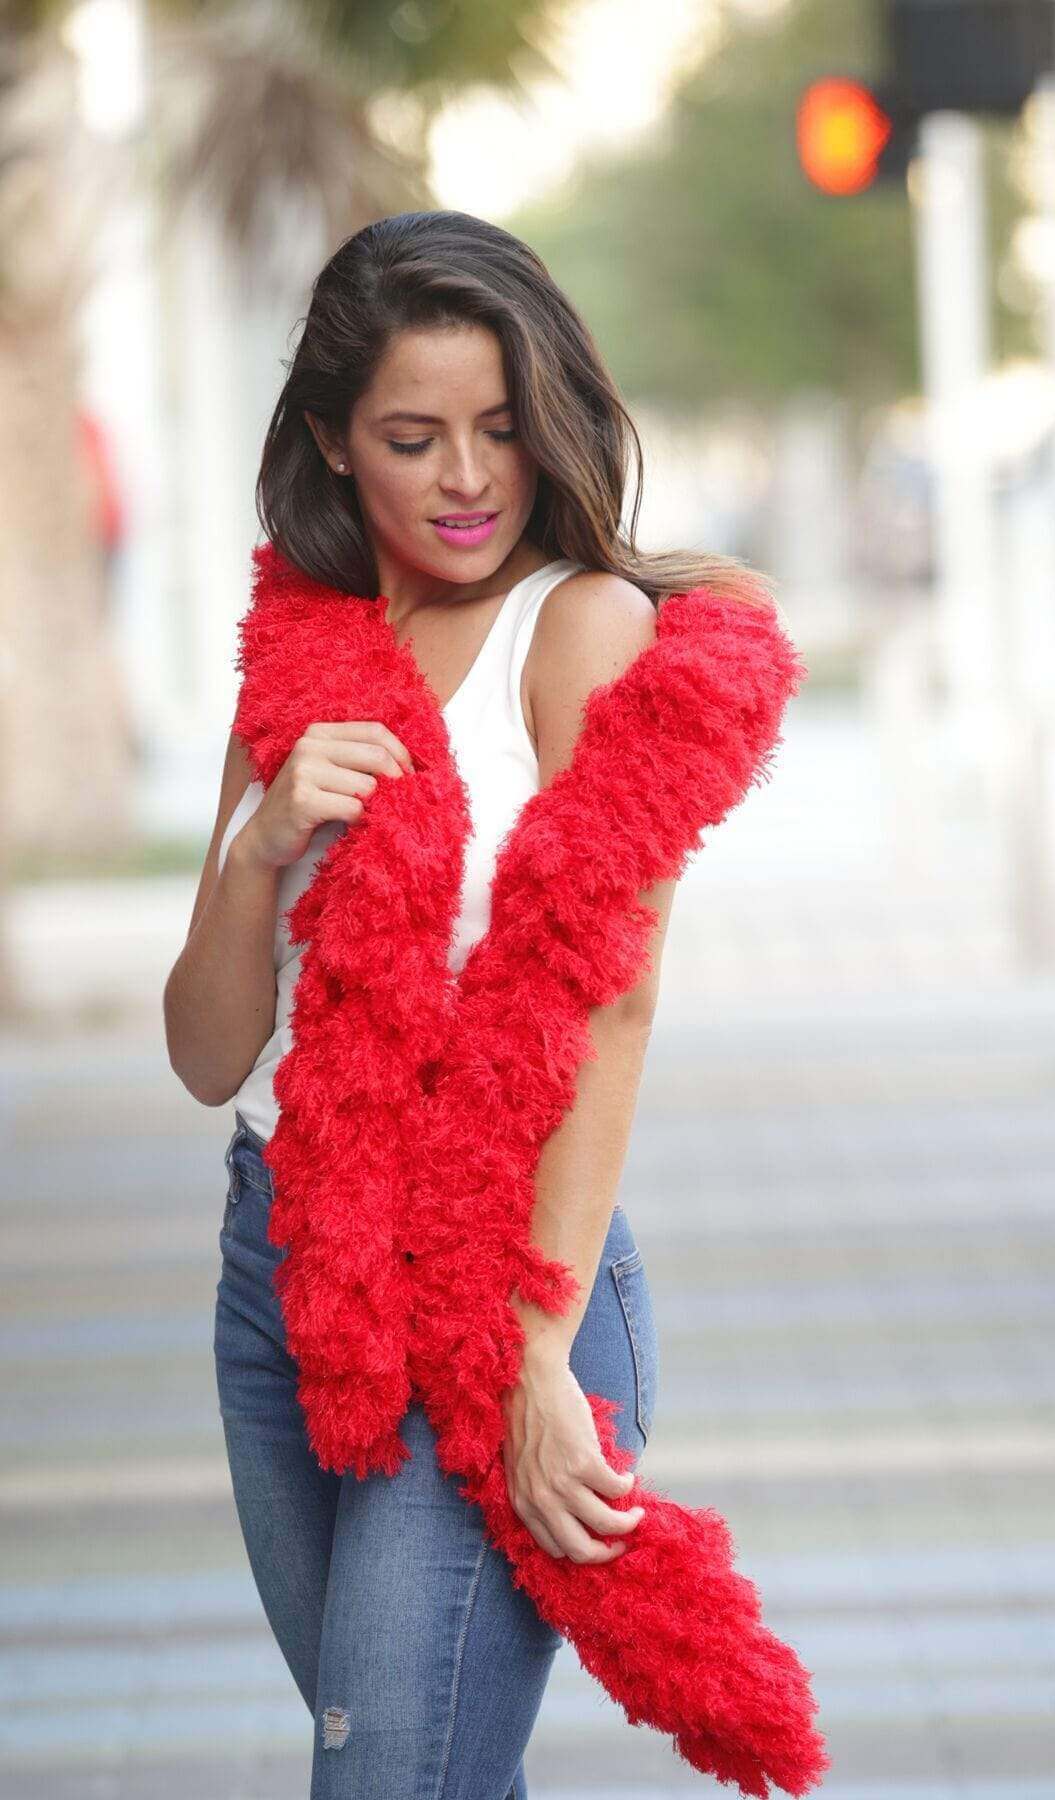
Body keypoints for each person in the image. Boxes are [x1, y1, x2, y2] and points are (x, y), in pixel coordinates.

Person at [164, 210, 772, 1799]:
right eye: (414, 438)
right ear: (330, 444)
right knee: (421, 1771)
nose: (468, 479)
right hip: (281, 1273)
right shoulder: (293, 667)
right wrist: (262, 845)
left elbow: (612, 1012)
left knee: (385, 1780)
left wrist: (536, 1359)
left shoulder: (579, 630)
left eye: (502, 429)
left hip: (506, 1277)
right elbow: (209, 1051)